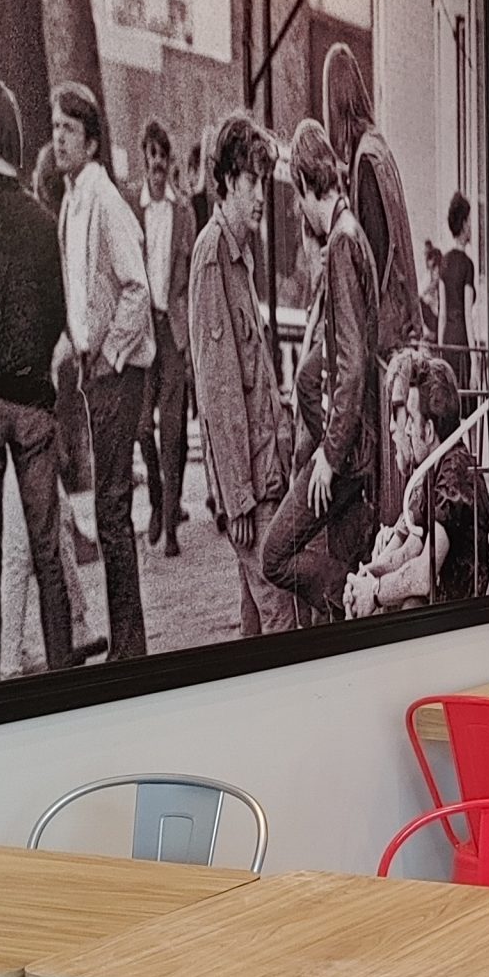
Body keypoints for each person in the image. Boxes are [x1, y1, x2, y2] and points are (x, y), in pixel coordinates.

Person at [0, 79, 71, 684]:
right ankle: (63, 680)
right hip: (33, 407)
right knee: (48, 555)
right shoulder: (42, 221)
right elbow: (56, 315)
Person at [262, 116, 378, 619]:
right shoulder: (351, 233)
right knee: (340, 551)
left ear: (307, 186)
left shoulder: (341, 243)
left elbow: (350, 364)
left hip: (347, 453)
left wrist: (329, 455)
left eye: (297, 196)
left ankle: (353, 599)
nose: (298, 210)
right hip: (355, 447)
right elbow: (328, 364)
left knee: (274, 555)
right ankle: (351, 597)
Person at [51, 81, 151, 662]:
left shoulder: (105, 201)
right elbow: (82, 295)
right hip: (94, 368)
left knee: (112, 507)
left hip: (118, 371)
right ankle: (126, 641)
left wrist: (111, 355)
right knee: (108, 508)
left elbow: (137, 288)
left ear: (90, 141)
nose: (58, 138)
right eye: (55, 127)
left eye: (69, 129)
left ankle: (129, 647)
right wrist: (72, 348)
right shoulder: (73, 201)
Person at [187, 112, 292, 637]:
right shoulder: (214, 258)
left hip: (262, 473)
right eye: (252, 180)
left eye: (264, 181)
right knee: (280, 616)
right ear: (228, 180)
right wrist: (239, 497)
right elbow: (220, 389)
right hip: (252, 485)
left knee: (256, 619)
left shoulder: (238, 253)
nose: (260, 195)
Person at [323, 42, 419, 522]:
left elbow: (375, 259)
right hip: (403, 328)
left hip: (386, 342)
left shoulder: (364, 159)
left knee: (388, 477)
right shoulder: (379, 149)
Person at [346, 343, 489, 617]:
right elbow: (406, 553)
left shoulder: (455, 472)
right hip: (445, 609)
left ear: (429, 430)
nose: (406, 429)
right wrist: (366, 577)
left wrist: (374, 592)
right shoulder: (434, 467)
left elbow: (424, 574)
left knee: (406, 605)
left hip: (462, 618)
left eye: (410, 419)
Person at [136, 117, 193, 557]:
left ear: (169, 161)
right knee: (142, 427)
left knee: (172, 429)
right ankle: (157, 498)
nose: (157, 164)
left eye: (162, 156)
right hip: (143, 331)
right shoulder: (131, 208)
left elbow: (189, 279)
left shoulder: (184, 213)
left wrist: (188, 337)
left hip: (172, 332)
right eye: (151, 156)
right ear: (144, 159)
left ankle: (171, 523)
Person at [435, 190, 475, 391]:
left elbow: (442, 314)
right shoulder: (467, 265)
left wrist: (440, 353)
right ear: (465, 224)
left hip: (447, 343)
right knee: (465, 397)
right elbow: (467, 316)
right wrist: (475, 362)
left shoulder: (444, 262)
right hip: (461, 342)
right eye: (470, 221)